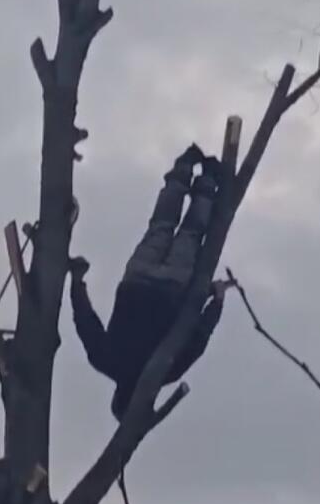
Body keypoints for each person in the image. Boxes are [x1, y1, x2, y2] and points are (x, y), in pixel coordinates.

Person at [69, 144, 231, 420]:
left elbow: (200, 338)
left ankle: (207, 181)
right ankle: (182, 172)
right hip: (137, 281)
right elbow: (86, 322)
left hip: (171, 290)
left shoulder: (165, 371)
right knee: (161, 225)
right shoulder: (106, 362)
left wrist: (216, 300)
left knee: (191, 234)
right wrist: (77, 282)